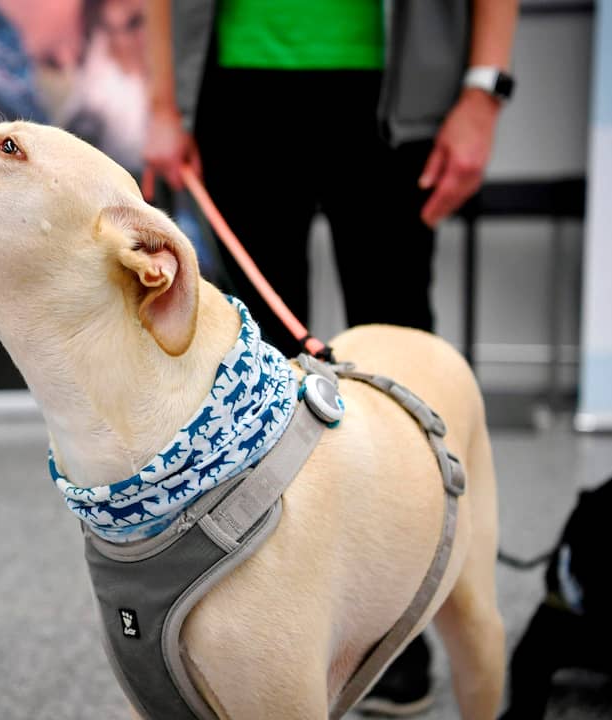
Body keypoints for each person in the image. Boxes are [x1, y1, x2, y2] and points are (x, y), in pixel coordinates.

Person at [142, 0, 518, 714]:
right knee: (258, 373)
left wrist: (482, 91)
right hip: (241, 83)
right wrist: (164, 101)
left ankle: (399, 628)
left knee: (403, 356)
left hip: (394, 94)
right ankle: (280, 621)